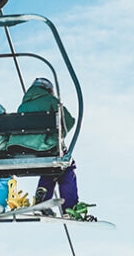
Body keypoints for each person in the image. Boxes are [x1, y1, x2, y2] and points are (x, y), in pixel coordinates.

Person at [7, 76, 82, 215]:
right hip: (43, 148)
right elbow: (69, 121)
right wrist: (57, 137)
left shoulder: (23, 105)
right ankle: (69, 207)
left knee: (51, 166)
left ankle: (43, 198)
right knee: (65, 166)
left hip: (18, 150)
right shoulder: (51, 101)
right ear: (49, 89)